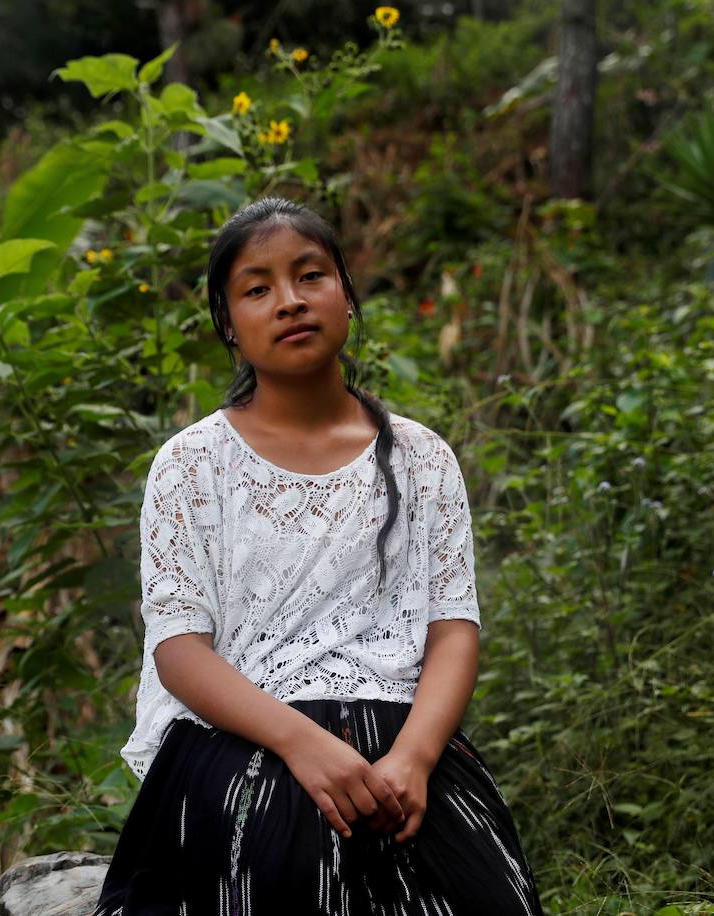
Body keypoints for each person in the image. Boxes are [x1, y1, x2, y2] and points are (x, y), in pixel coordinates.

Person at [95, 196, 545, 915]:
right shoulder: (191, 465)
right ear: (228, 326)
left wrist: (417, 760)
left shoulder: (423, 458)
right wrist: (306, 747)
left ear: (346, 295)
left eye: (311, 276)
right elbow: (179, 651)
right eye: (257, 288)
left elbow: (452, 627)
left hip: (405, 747)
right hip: (242, 743)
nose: (290, 302)